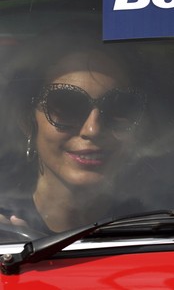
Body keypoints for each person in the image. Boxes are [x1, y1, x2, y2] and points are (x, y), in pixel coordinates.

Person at [0, 37, 147, 235]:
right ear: (28, 121)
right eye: (67, 106)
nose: (92, 130)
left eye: (119, 107)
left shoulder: (166, 228)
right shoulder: (4, 222)